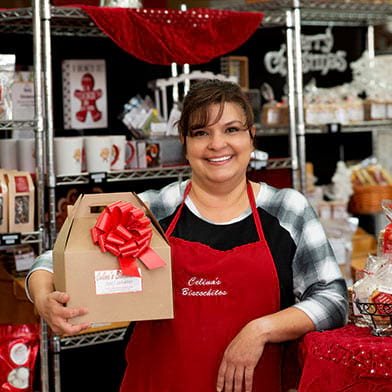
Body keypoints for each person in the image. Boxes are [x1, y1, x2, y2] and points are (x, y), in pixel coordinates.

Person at [26, 79, 348, 392]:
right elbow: (53, 261)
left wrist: (261, 329)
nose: (217, 144)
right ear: (184, 141)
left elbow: (333, 299)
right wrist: (44, 299)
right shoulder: (152, 210)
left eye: (231, 130)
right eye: (201, 132)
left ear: (252, 137)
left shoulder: (287, 209)